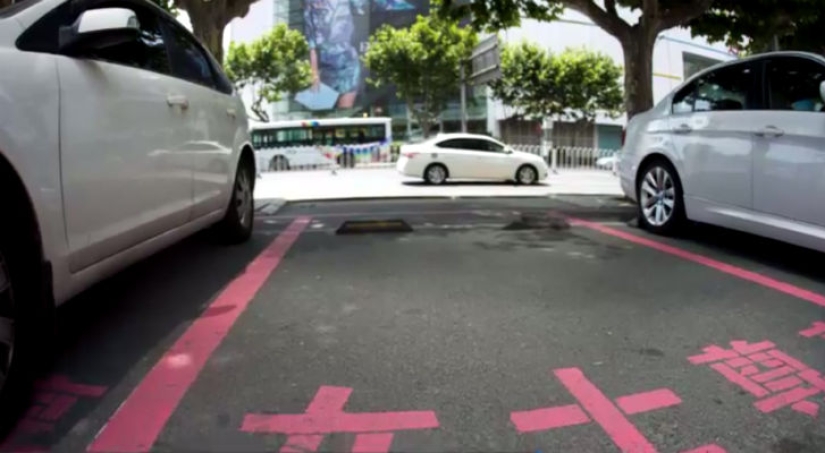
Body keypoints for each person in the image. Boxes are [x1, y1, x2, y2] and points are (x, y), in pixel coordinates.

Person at [304, 0, 366, 110]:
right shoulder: (310, 5)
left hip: (348, 65)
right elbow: (311, 45)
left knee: (344, 116)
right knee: (323, 119)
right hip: (325, 71)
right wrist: (314, 75)